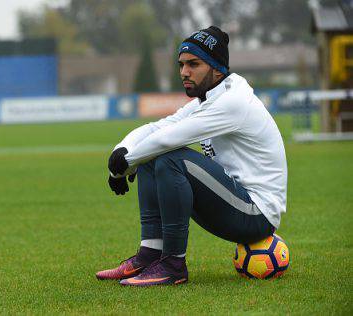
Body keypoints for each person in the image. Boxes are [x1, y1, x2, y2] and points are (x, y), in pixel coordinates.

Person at [96, 26, 287, 287]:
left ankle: (173, 265)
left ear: (217, 67)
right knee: (154, 155)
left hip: (257, 215)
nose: (184, 72)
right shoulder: (209, 98)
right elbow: (159, 127)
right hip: (234, 202)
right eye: (181, 64)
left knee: (169, 156)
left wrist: (124, 165)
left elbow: (167, 139)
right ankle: (149, 255)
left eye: (193, 64)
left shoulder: (233, 102)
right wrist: (121, 151)